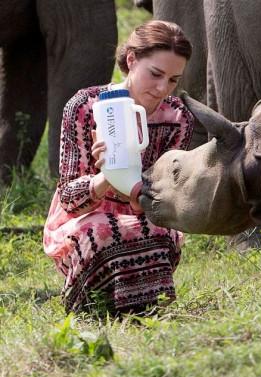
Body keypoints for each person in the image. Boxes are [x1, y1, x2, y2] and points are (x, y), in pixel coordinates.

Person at [43, 20, 194, 315]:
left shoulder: (178, 117)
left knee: (160, 231)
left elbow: (169, 199)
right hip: (84, 219)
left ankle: (147, 310)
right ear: (131, 59)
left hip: (146, 212)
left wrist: (137, 193)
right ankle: (92, 310)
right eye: (155, 74)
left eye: (173, 80)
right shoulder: (85, 107)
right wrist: (105, 177)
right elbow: (69, 201)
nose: (162, 88)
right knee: (101, 231)